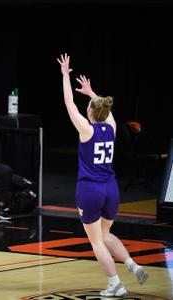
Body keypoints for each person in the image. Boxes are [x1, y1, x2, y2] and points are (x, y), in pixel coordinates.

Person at [57, 53, 148, 297]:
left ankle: (115, 284)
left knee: (96, 241)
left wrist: (66, 75)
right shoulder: (112, 127)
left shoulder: (86, 130)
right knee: (105, 234)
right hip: (111, 188)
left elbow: (68, 102)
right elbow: (104, 108)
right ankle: (132, 264)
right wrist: (91, 92)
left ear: (89, 111)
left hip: (90, 189)